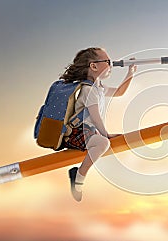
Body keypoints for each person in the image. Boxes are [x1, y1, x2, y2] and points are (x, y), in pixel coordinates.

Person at [60, 47, 137, 201]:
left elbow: (119, 92)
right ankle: (78, 179)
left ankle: (78, 175)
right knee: (103, 143)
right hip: (77, 132)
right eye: (107, 62)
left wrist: (130, 74)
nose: (111, 65)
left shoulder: (99, 88)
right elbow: (95, 117)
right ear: (93, 66)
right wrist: (106, 134)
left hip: (88, 131)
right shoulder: (89, 90)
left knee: (102, 142)